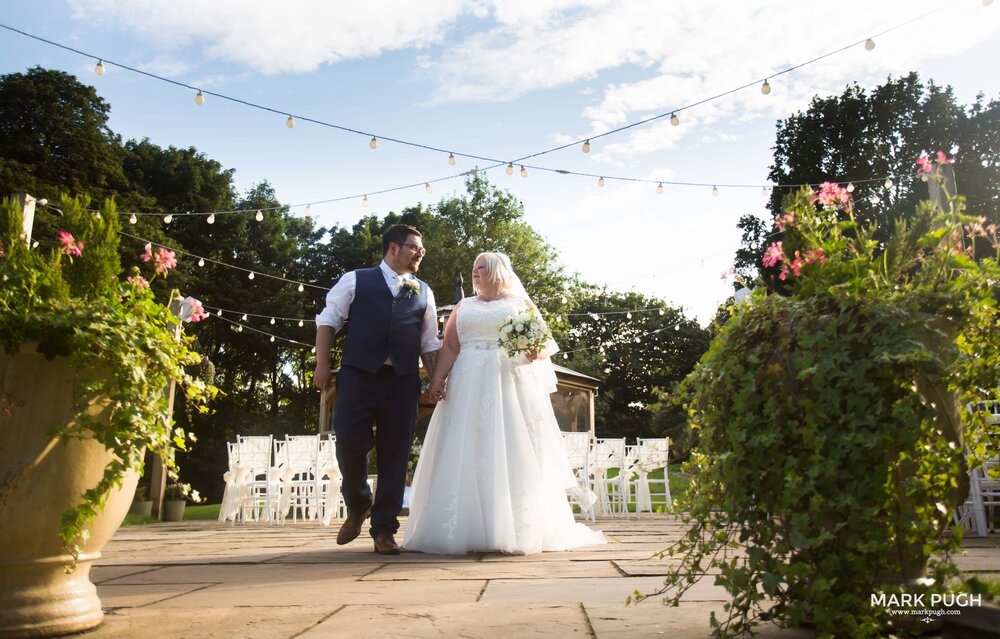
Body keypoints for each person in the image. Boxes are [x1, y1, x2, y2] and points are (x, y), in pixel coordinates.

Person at [403, 252, 604, 555]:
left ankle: (514, 526)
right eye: (473, 268)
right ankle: (463, 526)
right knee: (466, 446)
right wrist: (436, 381)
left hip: (507, 381)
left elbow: (540, 345)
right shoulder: (463, 306)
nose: (475, 272)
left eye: (481, 267)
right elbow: (451, 347)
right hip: (468, 379)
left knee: (511, 447)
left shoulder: (519, 304)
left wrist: (529, 353)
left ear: (497, 271)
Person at [314, 224, 440, 555]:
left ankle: (384, 530)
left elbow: (429, 341)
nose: (420, 252)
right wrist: (322, 365)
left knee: (395, 454)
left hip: (402, 380)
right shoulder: (355, 279)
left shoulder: (423, 291)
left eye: (421, 248)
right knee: (350, 443)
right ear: (393, 248)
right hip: (358, 376)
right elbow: (328, 320)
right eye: (414, 246)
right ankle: (358, 503)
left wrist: (437, 378)